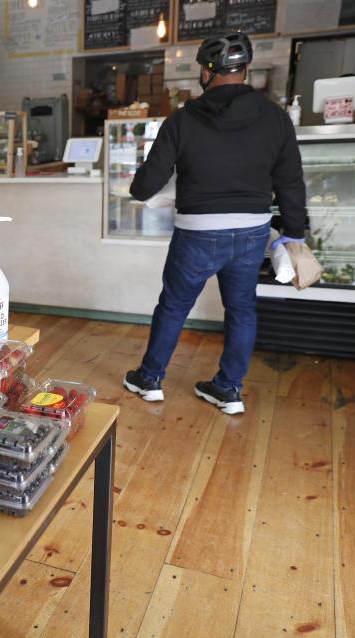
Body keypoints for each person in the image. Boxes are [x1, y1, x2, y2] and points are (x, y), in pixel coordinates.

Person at [122, 32, 308, 415]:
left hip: (198, 233)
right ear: (245, 70)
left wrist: (137, 186)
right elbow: (290, 180)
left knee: (173, 306)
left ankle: (150, 379)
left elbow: (146, 186)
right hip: (253, 231)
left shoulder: (182, 119)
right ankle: (228, 390)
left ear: (207, 72)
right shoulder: (275, 116)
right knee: (241, 310)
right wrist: (293, 233)